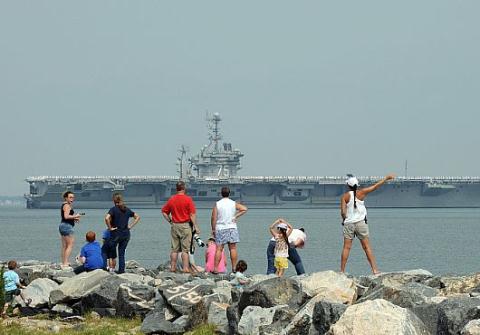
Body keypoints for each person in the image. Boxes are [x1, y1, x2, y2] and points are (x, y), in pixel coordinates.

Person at [340, 174, 395, 275]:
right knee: (367, 247)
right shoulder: (362, 192)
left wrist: (344, 220)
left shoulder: (344, 196)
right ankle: (375, 270)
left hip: (349, 224)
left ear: (348, 186)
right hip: (361, 223)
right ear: (357, 185)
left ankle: (342, 271)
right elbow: (375, 186)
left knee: (346, 248)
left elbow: (343, 212)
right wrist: (386, 178)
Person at [162, 181, 199, 273]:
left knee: (174, 249)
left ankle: (173, 267)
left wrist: (170, 221)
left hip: (174, 225)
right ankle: (186, 268)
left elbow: (164, 212)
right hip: (185, 226)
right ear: (184, 188)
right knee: (185, 250)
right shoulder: (188, 199)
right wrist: (195, 226)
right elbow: (192, 214)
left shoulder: (172, 199)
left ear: (176, 188)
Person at [211, 186, 248, 274]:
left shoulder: (217, 204)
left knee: (219, 249)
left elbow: (213, 217)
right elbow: (244, 209)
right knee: (233, 248)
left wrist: (213, 229)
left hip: (220, 228)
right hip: (232, 227)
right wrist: (235, 216)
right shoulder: (233, 203)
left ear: (221, 194)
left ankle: (216, 269)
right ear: (229, 193)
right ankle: (234, 268)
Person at [105, 193, 140, 274]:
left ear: (114, 200)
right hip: (126, 234)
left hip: (116, 233)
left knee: (110, 251)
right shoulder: (127, 209)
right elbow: (137, 217)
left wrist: (110, 228)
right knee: (121, 253)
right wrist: (130, 226)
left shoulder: (113, 209)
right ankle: (121, 270)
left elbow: (106, 218)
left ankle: (109, 269)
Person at [59, 191, 82, 268]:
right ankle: (65, 263)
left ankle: (63, 262)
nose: (72, 199)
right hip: (67, 226)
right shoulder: (67, 206)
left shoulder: (64, 205)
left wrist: (74, 219)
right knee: (70, 245)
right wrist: (76, 216)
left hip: (63, 225)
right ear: (66, 198)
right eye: (70, 197)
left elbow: (66, 217)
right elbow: (66, 216)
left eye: (73, 197)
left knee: (64, 246)